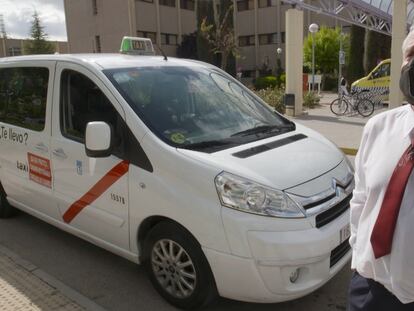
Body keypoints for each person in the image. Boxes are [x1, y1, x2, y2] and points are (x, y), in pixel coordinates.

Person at [347, 29, 414, 311]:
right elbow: (361, 200)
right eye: (412, 54)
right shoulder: (377, 128)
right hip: (370, 289)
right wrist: (358, 256)